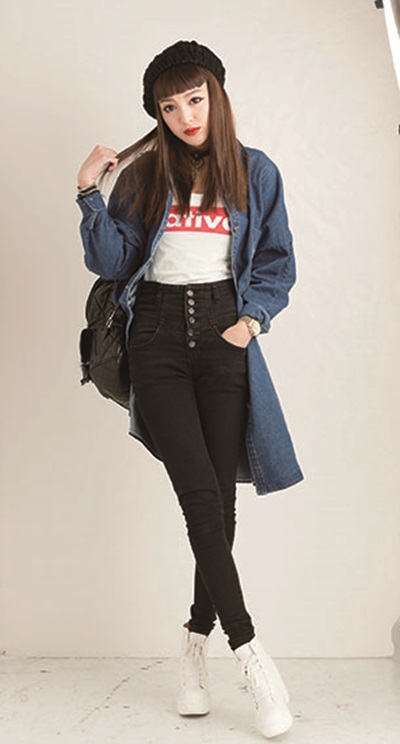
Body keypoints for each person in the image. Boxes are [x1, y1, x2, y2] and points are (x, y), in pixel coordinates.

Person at [76, 39, 303, 740]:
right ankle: (252, 655)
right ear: (158, 114)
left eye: (195, 99)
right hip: (158, 338)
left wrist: (250, 321)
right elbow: (112, 260)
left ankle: (194, 648)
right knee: (199, 497)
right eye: (169, 107)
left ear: (216, 95)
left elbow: (276, 260)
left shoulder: (255, 171)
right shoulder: (147, 176)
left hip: (224, 334)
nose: (185, 116)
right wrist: (89, 195)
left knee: (220, 505)